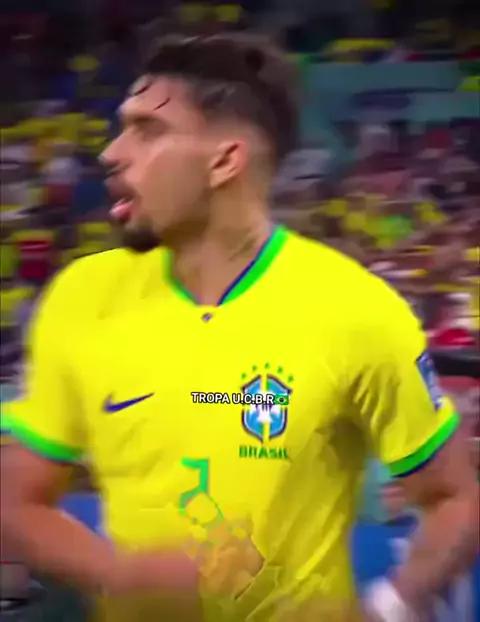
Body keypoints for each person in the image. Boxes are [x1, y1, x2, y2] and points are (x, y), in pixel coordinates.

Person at [1, 31, 478, 622]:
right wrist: (117, 575)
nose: (111, 152)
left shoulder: (356, 310)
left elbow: (454, 496)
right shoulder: (82, 296)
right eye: (122, 127)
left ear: (225, 161)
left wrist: (392, 606)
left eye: (147, 130)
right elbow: (18, 497)